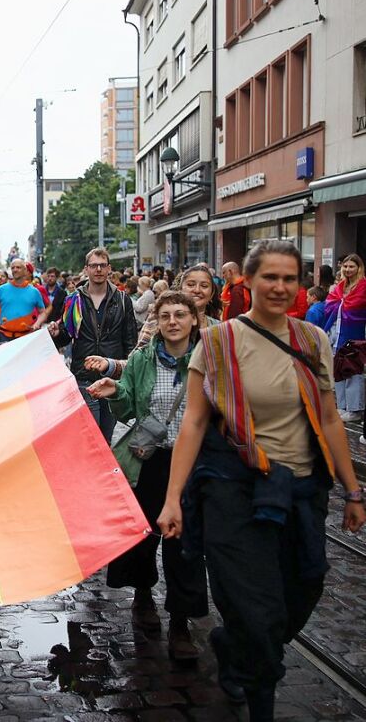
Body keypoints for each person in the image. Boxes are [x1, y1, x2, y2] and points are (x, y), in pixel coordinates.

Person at [157, 240, 364, 720]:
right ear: (247, 282)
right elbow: (193, 422)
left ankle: (235, 646)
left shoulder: (313, 339)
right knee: (257, 610)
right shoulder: (217, 341)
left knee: (307, 583)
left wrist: (352, 491)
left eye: (289, 278)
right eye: (270, 276)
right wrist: (173, 500)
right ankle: (260, 698)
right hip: (235, 487)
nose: (280, 286)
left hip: (301, 489)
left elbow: (330, 418)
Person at [87, 292, 208, 659]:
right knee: (143, 539)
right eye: (166, 315)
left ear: (193, 320)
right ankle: (143, 597)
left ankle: (180, 625)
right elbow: (128, 405)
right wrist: (113, 392)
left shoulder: (208, 358)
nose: (173, 321)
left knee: (184, 546)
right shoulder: (141, 358)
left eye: (180, 314)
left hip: (190, 463)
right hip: (148, 459)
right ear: (156, 320)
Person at [49, 248, 138, 442]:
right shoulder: (74, 299)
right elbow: (67, 335)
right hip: (84, 375)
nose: (98, 269)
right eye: (93, 265)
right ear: (86, 269)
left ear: (109, 269)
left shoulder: (123, 301)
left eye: (102, 265)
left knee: (106, 436)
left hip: (112, 377)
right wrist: (57, 333)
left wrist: (129, 374)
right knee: (89, 436)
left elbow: (130, 340)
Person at [323, 254, 366, 423]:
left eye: (352, 267)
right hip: (337, 335)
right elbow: (331, 306)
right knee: (339, 371)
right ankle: (342, 406)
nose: (348, 269)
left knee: (353, 373)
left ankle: (355, 409)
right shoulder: (340, 287)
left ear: (359, 268)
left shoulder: (363, 287)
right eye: (346, 266)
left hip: (356, 336)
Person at [0, 259, 50, 343]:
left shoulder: (34, 292)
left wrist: (37, 324)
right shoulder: (2, 289)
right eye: (13, 268)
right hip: (3, 336)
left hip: (26, 337)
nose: (15, 270)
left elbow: (43, 312)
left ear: (25, 270)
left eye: (18, 267)